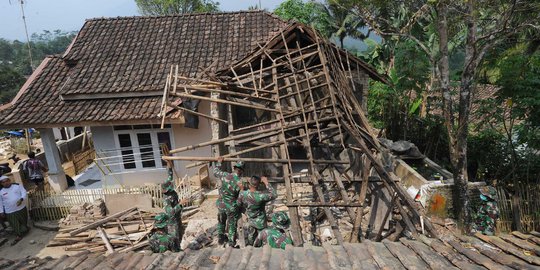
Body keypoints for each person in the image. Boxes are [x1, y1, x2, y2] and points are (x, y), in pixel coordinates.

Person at [213, 156, 244, 247]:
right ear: (242, 171)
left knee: (221, 221)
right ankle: (231, 242)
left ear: (234, 168)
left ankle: (220, 239)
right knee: (231, 224)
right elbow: (241, 196)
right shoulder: (240, 182)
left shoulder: (225, 175)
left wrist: (219, 162)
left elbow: (215, 172)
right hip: (231, 206)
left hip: (222, 204)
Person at [238, 175, 276, 246]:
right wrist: (266, 182)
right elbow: (274, 194)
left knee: (251, 236)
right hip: (260, 222)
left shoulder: (243, 194)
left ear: (249, 184)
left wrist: (241, 190)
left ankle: (252, 247)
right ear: (258, 185)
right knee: (262, 238)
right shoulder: (261, 196)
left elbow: (238, 204)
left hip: (250, 220)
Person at [0, 175, 29, 245]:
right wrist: (1, 212)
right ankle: (18, 235)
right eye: (3, 182)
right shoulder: (1, 192)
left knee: (24, 223)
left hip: (21, 208)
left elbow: (24, 192)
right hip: (10, 211)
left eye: (7, 181)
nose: (6, 183)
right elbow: (0, 202)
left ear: (9, 181)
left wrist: (21, 199)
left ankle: (24, 229)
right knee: (14, 224)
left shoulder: (17, 186)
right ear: (1, 183)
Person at [162, 166, 185, 250]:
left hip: (177, 218)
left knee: (180, 233)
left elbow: (170, 177)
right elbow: (170, 212)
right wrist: (180, 204)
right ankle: (176, 251)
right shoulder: (167, 199)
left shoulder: (168, 184)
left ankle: (179, 247)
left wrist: (170, 168)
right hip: (172, 221)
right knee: (175, 238)